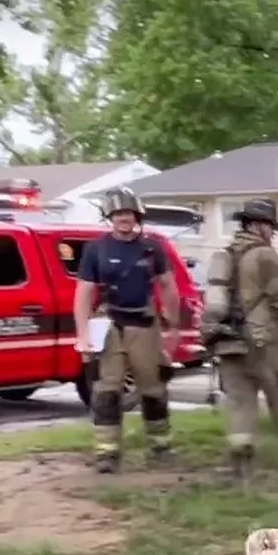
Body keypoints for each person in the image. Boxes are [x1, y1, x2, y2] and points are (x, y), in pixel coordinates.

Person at [74, 186, 178, 474]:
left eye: (129, 213)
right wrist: (82, 333)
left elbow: (168, 286)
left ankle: (161, 446)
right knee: (107, 388)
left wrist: (174, 324)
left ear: (137, 216)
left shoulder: (152, 248)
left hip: (144, 325)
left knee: (152, 387)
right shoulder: (96, 250)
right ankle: (107, 453)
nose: (124, 218)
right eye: (118, 213)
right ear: (110, 217)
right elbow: (83, 292)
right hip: (108, 326)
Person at [207, 198, 278, 480]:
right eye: (270, 227)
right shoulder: (264, 256)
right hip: (262, 339)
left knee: (240, 400)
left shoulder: (225, 254)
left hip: (226, 340)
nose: (272, 234)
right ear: (258, 226)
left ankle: (241, 452)